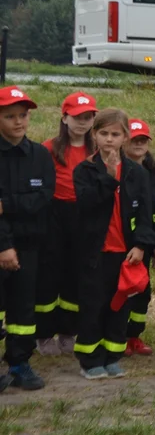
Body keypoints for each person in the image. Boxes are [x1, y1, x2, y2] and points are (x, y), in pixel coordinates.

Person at [73, 109, 155, 380]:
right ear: (94, 135)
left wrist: (141, 245)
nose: (109, 139)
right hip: (95, 253)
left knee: (118, 308)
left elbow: (146, 215)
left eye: (115, 134)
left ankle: (112, 356)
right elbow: (87, 205)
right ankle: (90, 360)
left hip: (126, 254)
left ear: (125, 137)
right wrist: (108, 177)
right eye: (104, 133)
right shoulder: (85, 169)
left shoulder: (137, 173)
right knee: (93, 307)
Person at [0, 86, 53, 392]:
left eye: (23, 115)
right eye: (10, 117)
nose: (18, 122)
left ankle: (19, 363)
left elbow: (43, 197)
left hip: (30, 244)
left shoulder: (39, 155)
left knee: (23, 309)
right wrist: (4, 246)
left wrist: (8, 204)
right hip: (1, 245)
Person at [37, 91, 96, 357]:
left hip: (83, 214)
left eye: (88, 117)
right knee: (50, 275)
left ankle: (68, 332)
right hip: (54, 214)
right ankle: (44, 334)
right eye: (77, 117)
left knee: (75, 274)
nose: (82, 122)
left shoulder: (95, 149)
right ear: (64, 118)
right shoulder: (49, 148)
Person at [123, 118, 155, 357]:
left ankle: (134, 336)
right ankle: (116, 336)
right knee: (121, 292)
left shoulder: (154, 173)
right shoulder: (118, 170)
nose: (138, 144)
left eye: (143, 140)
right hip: (122, 243)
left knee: (142, 292)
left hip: (147, 243)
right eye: (134, 139)